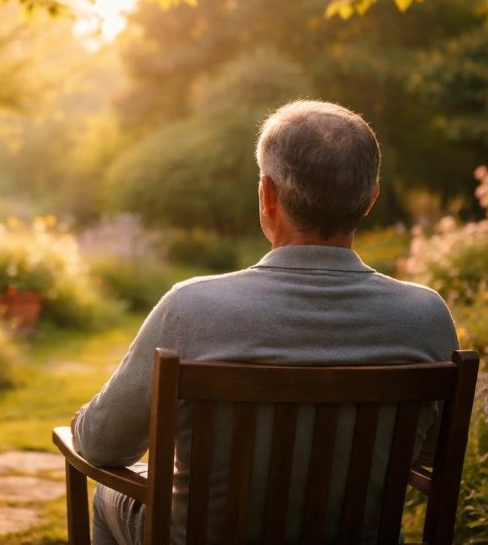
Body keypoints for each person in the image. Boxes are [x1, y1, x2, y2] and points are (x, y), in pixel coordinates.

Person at [70, 100, 459, 544]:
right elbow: (429, 452)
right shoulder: (425, 316)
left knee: (105, 495)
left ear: (267, 195)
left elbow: (104, 446)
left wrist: (84, 424)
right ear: (370, 199)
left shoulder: (191, 308)